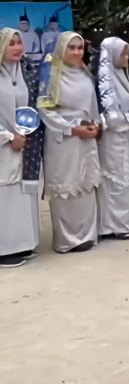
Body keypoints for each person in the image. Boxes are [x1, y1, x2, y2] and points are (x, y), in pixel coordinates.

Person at [38, 32, 102, 253]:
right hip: (63, 139)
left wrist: (96, 125)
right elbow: (44, 110)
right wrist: (72, 129)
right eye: (71, 48)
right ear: (61, 49)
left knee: (85, 184)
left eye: (80, 48)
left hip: (86, 139)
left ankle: (87, 235)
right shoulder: (52, 74)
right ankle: (67, 240)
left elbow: (93, 106)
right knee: (65, 187)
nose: (76, 52)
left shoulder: (84, 74)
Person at [0, 29, 42, 268]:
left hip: (23, 143)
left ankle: (22, 243)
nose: (17, 47)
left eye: (19, 43)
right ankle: (4, 249)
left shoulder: (25, 72)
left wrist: (24, 134)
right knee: (4, 196)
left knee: (21, 195)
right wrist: (8, 136)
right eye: (11, 43)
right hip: (3, 145)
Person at [96, 37, 129, 240]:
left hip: (124, 136)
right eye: (123, 54)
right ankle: (110, 226)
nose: (127, 58)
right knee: (113, 180)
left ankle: (122, 223)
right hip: (112, 138)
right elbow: (111, 117)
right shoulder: (105, 81)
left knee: (124, 180)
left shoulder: (121, 75)